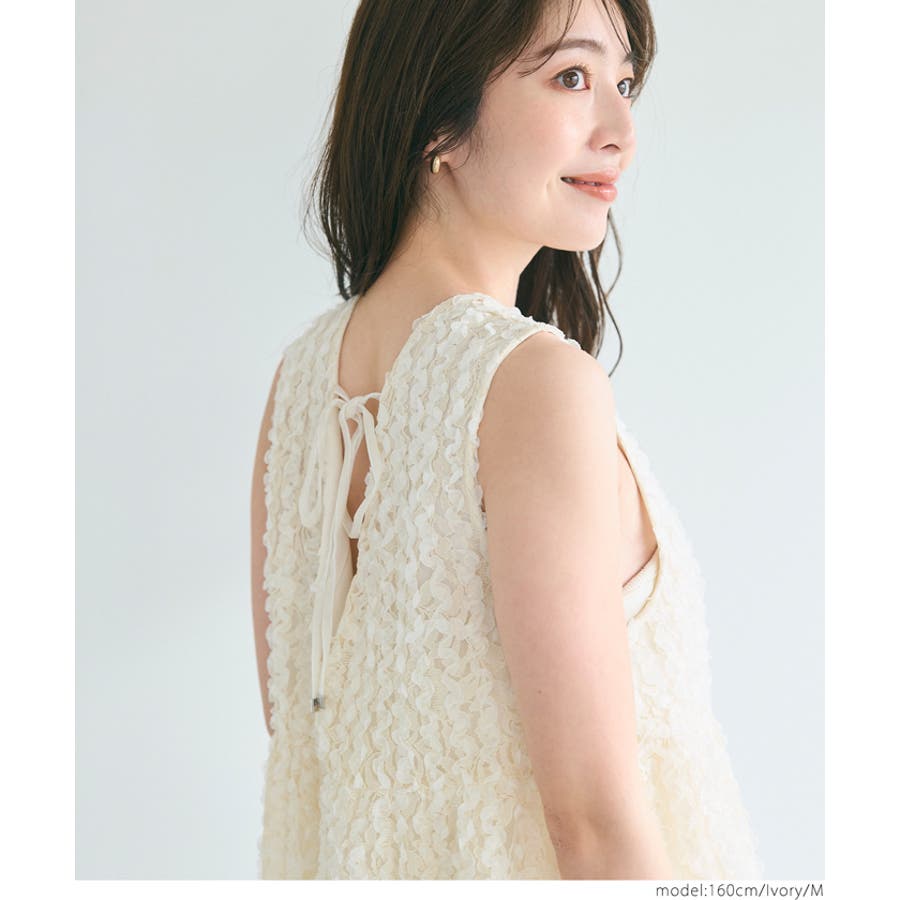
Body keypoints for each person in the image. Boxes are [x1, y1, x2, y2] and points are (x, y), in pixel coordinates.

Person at [250, 0, 764, 880]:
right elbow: (594, 827)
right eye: (572, 76)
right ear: (436, 119)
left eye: (625, 83)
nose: (621, 131)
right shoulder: (532, 386)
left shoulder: (300, 384)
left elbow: (304, 734)